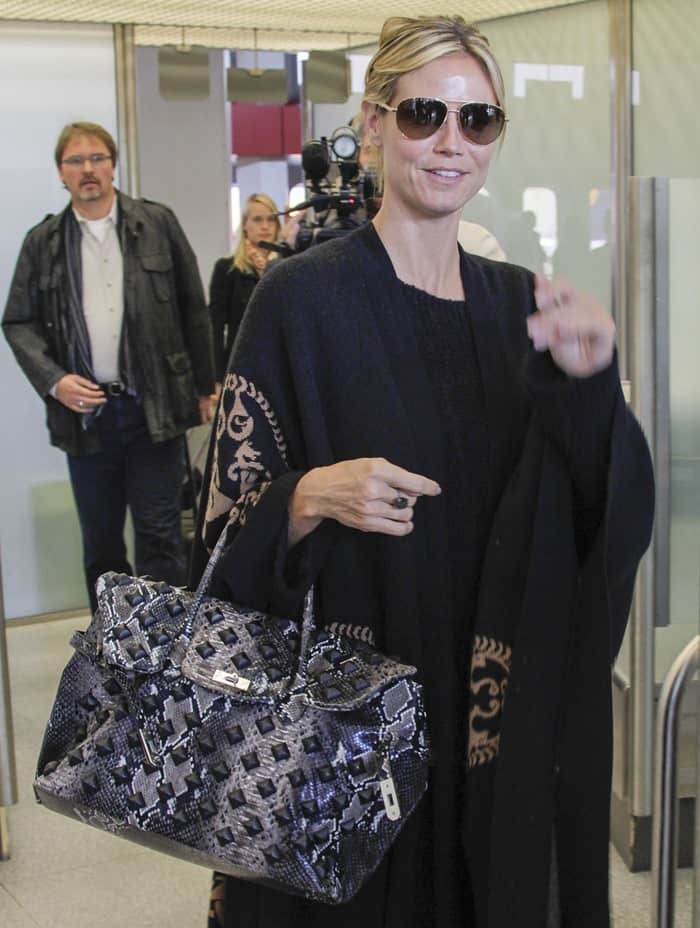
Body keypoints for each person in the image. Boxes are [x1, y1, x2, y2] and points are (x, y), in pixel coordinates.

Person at [192, 15, 654, 928]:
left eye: (477, 120)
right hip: (344, 732)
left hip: (490, 730)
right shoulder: (301, 300)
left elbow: (603, 507)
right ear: (372, 123)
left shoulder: (518, 301)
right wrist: (305, 497)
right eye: (424, 114)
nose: (451, 142)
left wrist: (592, 390)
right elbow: (217, 531)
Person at [3, 121, 216, 613]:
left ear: (113, 163)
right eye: (75, 161)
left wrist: (204, 387)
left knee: (161, 539)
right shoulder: (44, 243)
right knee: (101, 546)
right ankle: (110, 655)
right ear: (61, 173)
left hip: (153, 409)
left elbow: (193, 307)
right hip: (86, 418)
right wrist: (54, 381)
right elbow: (18, 322)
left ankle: (163, 655)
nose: (88, 169)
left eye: (97, 157)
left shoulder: (157, 224)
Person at [208, 193, 282, 384]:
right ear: (244, 225)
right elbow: (214, 329)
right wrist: (215, 379)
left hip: (280, 368)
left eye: (271, 220)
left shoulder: (289, 267)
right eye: (257, 220)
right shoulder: (227, 269)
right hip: (241, 369)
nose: (265, 226)